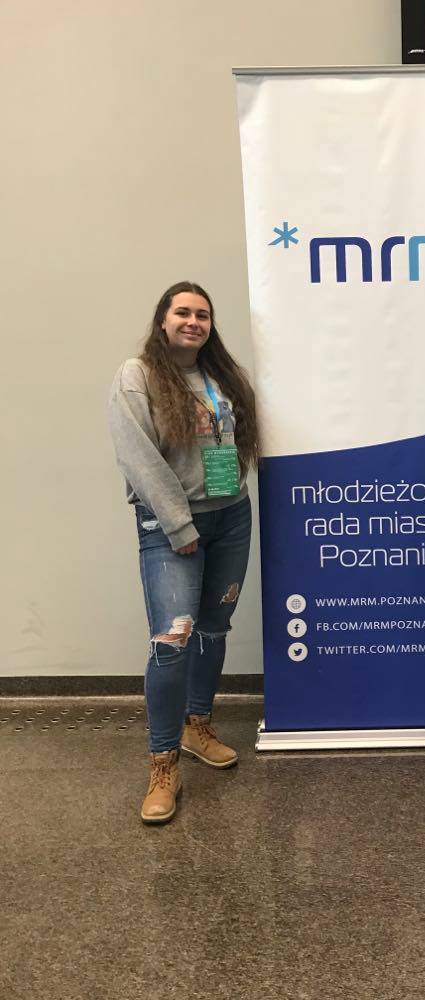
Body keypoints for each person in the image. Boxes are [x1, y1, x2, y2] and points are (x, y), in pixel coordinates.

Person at [109, 281, 259, 824]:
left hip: (231, 518)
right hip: (173, 526)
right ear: (163, 320)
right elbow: (139, 458)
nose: (193, 322)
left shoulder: (221, 376)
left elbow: (235, 443)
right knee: (172, 643)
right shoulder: (138, 375)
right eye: (183, 312)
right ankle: (163, 763)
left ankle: (198, 726)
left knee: (214, 631)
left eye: (203, 315)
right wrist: (179, 524)